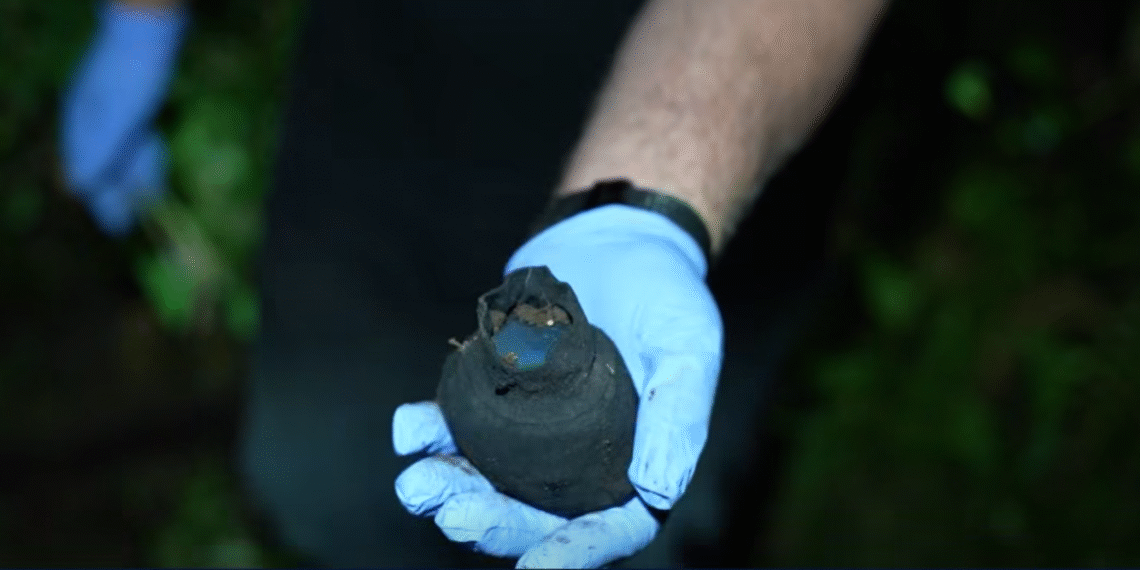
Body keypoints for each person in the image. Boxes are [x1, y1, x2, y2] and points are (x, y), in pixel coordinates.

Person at [60, 0, 886, 567]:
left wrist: (644, 202)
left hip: (701, 138)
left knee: (627, 523)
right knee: (325, 475)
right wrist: (140, 19)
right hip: (379, 99)